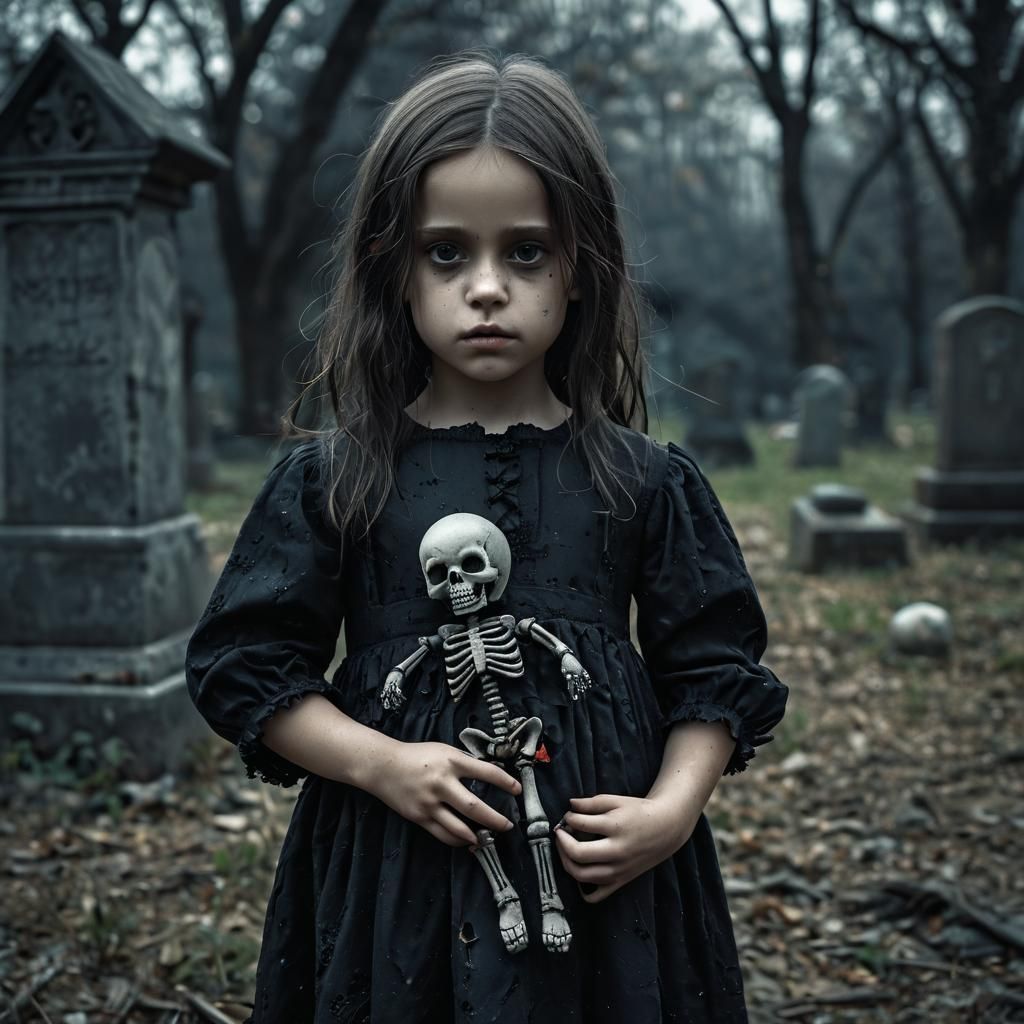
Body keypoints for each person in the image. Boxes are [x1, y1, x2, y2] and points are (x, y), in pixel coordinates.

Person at [185, 50, 788, 1024]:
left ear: (581, 265)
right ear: (394, 267)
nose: (487, 287)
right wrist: (379, 761)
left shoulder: (646, 480)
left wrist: (672, 810)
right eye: (446, 252)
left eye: (526, 251)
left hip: (609, 896)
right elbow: (247, 667)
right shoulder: (336, 478)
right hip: (394, 885)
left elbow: (712, 667)